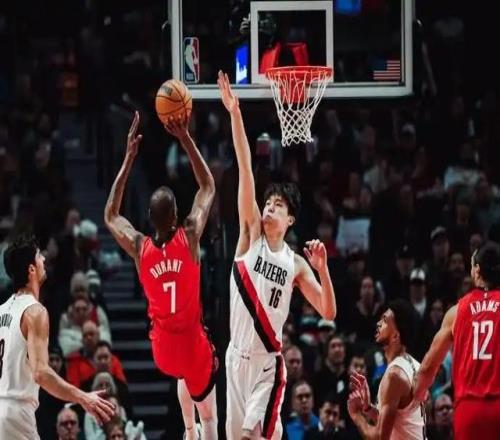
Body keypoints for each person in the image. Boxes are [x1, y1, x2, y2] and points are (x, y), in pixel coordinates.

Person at [218, 71, 337, 440]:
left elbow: (328, 311)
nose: (269, 206)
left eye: (278, 205)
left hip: (268, 364)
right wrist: (235, 114)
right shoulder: (250, 234)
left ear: (290, 220)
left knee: (253, 436)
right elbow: (244, 167)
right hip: (235, 359)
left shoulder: (295, 263)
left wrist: (323, 269)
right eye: (268, 202)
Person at [104, 111, 217, 440]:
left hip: (163, 350)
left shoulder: (139, 248)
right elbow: (207, 186)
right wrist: (185, 138)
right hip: (192, 343)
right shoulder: (190, 234)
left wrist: (128, 158)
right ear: (177, 215)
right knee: (210, 414)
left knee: (181, 374)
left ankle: (188, 431)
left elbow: (111, 214)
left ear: (149, 218)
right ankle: (200, 430)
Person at [0, 234, 114, 439]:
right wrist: (83, 397)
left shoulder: (1, 310)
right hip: (16, 412)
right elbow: (41, 373)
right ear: (31, 269)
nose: (44, 258)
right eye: (39, 256)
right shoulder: (35, 311)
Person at [414, 241, 500, 439]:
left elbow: (427, 368)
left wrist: (414, 400)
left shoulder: (456, 312)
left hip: (467, 410)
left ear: (477, 271)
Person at [348, 299, 425, 439]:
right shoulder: (414, 365)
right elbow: (400, 422)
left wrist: (357, 416)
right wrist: (368, 408)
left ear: (396, 335)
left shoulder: (395, 375)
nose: (378, 324)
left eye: (384, 320)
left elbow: (380, 437)